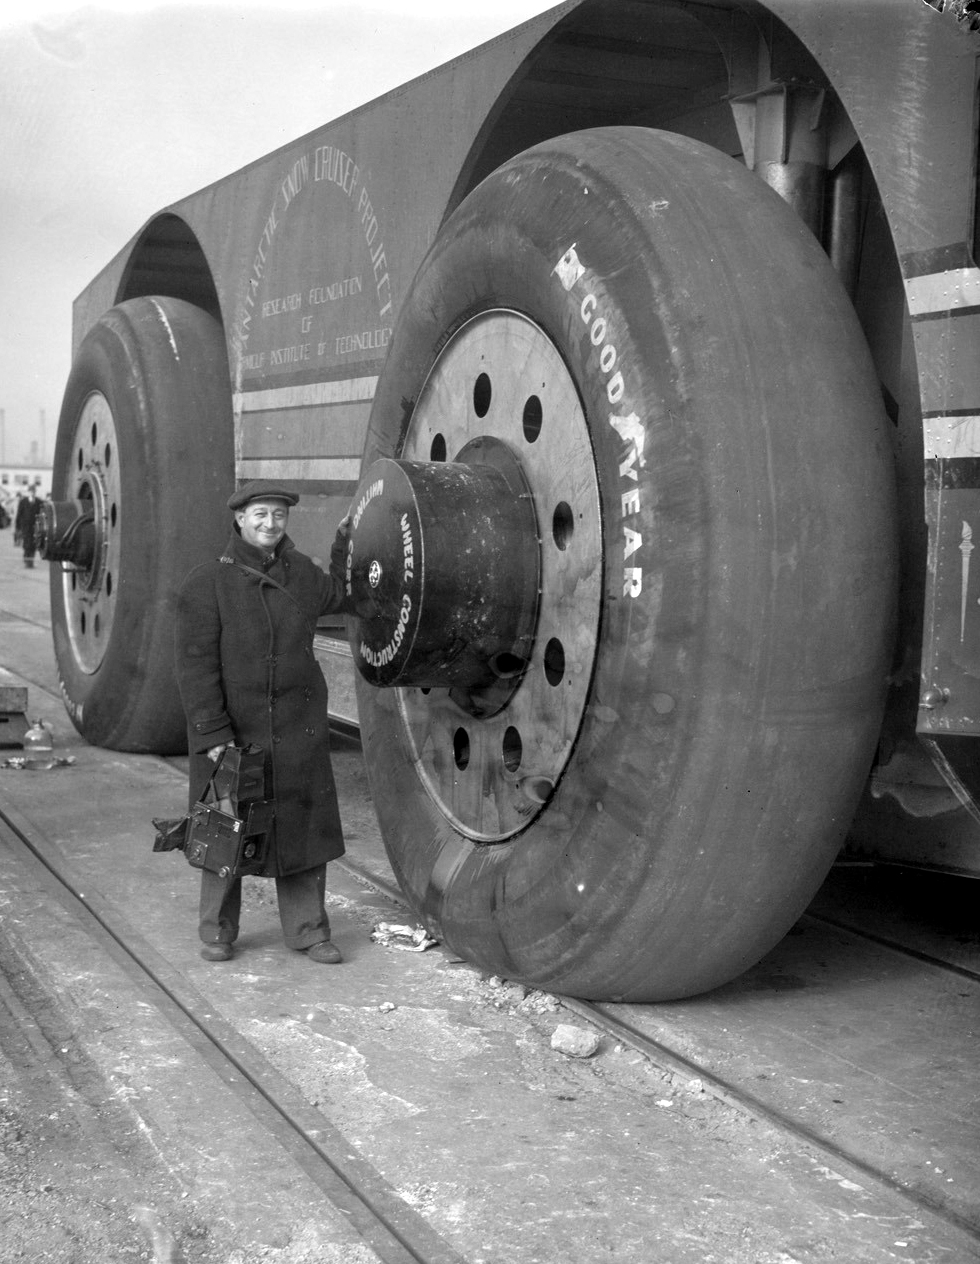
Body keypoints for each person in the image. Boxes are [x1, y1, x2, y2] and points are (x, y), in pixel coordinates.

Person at [174, 480, 356, 964]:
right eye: (260, 514)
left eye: (278, 515)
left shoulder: (302, 574)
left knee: (303, 831)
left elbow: (341, 595)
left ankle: (309, 931)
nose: (270, 524)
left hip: (298, 728)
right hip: (235, 732)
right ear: (239, 518)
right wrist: (212, 735)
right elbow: (195, 666)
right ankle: (217, 932)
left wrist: (343, 543)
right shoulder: (206, 581)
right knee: (224, 827)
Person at [14, 486, 42, 568]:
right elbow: (19, 514)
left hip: (35, 527)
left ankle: (31, 561)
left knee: (33, 544)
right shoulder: (23, 502)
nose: (32, 493)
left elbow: (41, 514)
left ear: (35, 492)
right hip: (25, 527)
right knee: (26, 544)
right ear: (28, 492)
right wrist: (17, 526)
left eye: (33, 491)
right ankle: (27, 561)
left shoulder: (39, 502)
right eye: (31, 491)